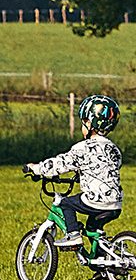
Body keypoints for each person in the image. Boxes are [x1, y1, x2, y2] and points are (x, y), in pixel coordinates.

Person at [26, 94, 124, 252]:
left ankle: (73, 236)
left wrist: (37, 168)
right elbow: (109, 167)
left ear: (90, 123)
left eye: (83, 122)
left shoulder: (82, 148)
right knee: (93, 228)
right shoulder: (114, 149)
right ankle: (101, 260)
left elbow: (60, 163)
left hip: (96, 200)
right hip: (115, 202)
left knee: (64, 203)